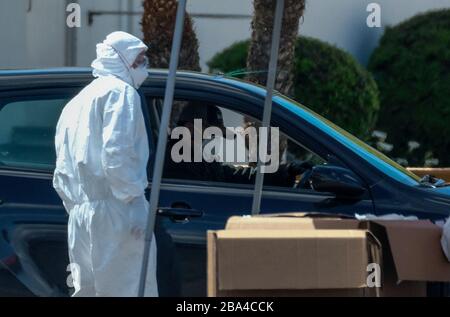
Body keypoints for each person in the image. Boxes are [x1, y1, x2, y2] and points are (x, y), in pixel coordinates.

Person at [53, 31, 157, 297]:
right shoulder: (120, 93)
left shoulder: (76, 103)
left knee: (88, 291)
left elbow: (61, 170)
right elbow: (117, 154)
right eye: (139, 59)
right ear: (121, 60)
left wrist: (78, 207)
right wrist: (133, 201)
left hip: (80, 216)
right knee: (129, 289)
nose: (145, 66)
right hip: (116, 212)